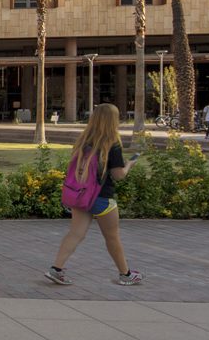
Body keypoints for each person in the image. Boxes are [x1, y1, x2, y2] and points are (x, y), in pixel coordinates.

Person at [46, 103, 143, 286]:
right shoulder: (112, 144)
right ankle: (126, 274)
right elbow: (118, 175)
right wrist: (129, 165)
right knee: (112, 237)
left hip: (82, 195)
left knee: (75, 233)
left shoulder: (84, 142)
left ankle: (56, 268)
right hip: (102, 198)